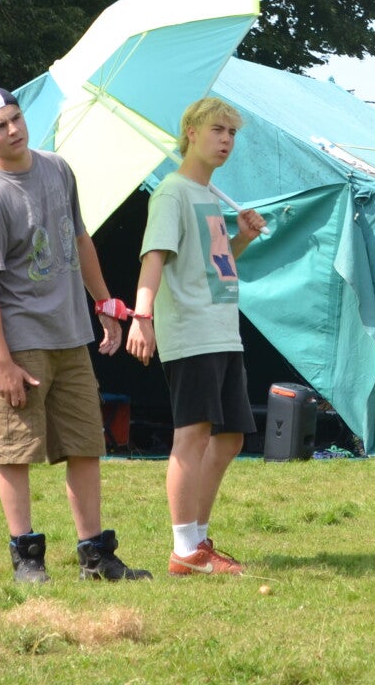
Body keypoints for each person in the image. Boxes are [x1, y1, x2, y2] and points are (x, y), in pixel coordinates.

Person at [0, 84, 150, 584]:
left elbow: (80, 239)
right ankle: (26, 559)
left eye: (16, 118)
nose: (13, 130)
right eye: (0, 126)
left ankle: (96, 557)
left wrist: (104, 304)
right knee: (16, 452)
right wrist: (2, 361)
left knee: (85, 445)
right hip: (18, 342)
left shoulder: (58, 169)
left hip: (70, 336)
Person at [126, 97, 266, 576]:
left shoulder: (208, 196)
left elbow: (214, 269)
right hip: (191, 332)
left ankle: (199, 542)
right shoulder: (171, 193)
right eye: (217, 130)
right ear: (191, 132)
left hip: (223, 331)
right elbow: (154, 258)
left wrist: (241, 238)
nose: (226, 140)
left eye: (232, 133)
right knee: (192, 435)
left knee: (229, 440)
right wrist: (141, 316)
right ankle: (184, 549)